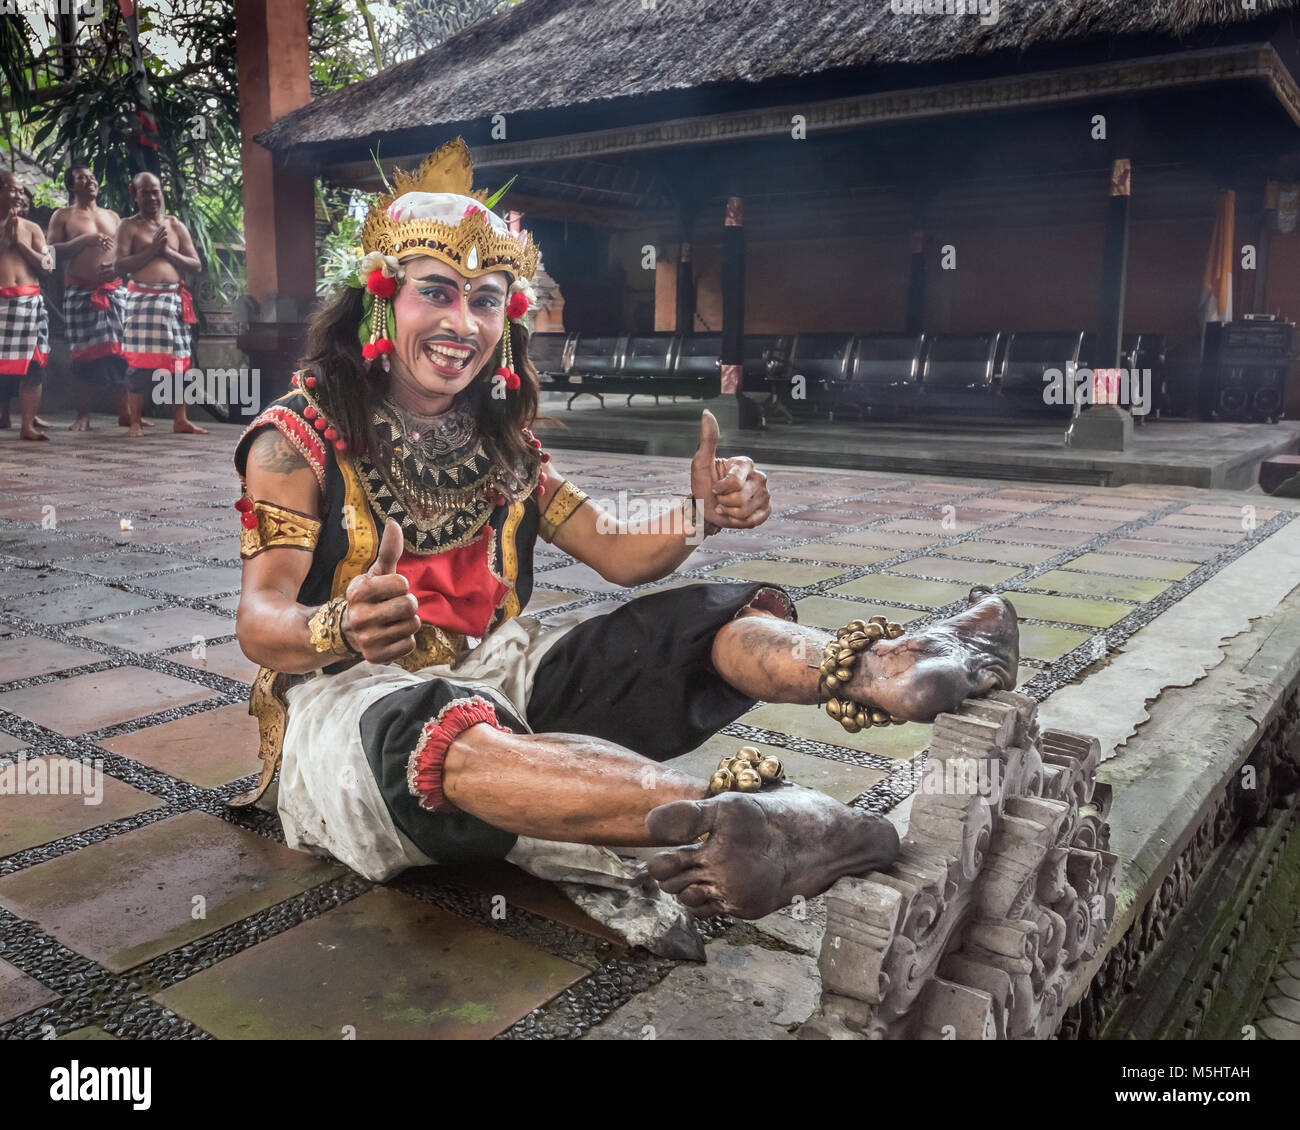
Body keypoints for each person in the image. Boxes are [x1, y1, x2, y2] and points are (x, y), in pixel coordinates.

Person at [232, 138, 1019, 949]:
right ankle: (734, 825)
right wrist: (337, 627)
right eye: (436, 293)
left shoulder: (503, 447)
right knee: (443, 736)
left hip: (500, 667)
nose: (462, 324)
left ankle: (893, 669)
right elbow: (260, 620)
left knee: (684, 628)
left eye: (488, 300)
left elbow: (617, 551)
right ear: (379, 301)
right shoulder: (296, 442)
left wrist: (698, 513)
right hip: (352, 702)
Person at [114, 171, 207, 436]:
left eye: (156, 191)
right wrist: (152, 251)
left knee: (179, 362)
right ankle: (135, 421)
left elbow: (196, 264)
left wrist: (166, 252)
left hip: (173, 301)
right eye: (146, 192)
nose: (152, 197)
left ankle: (181, 419)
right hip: (141, 302)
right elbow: (119, 266)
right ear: (135, 195)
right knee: (139, 363)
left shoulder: (175, 225)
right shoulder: (128, 226)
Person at [47, 164, 138, 432]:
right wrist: (83, 242)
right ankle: (83, 414)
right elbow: (48, 254)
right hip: (80, 292)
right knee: (82, 355)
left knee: (124, 354)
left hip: (115, 291)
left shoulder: (112, 216)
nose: (90, 182)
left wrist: (118, 267)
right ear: (71, 186)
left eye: (92, 177)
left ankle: (126, 412)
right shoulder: (62, 216)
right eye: (82, 179)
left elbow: (125, 253)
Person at [0, 171, 53, 441]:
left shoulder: (32, 229)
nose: (19, 195)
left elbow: (48, 267)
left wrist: (20, 244)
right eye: (12, 189)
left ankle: (27, 425)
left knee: (33, 366)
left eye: (21, 191)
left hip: (28, 303)